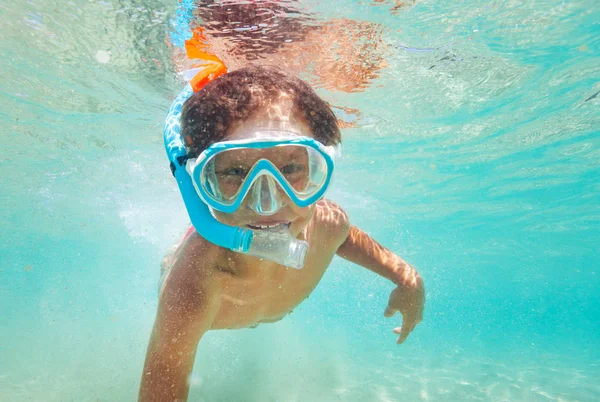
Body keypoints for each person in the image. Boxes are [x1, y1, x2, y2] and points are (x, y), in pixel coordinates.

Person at [139, 63, 425, 401]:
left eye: (290, 168)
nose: (266, 205)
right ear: (197, 183)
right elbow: (165, 372)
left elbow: (345, 238)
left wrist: (408, 279)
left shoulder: (327, 224)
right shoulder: (194, 285)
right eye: (234, 171)